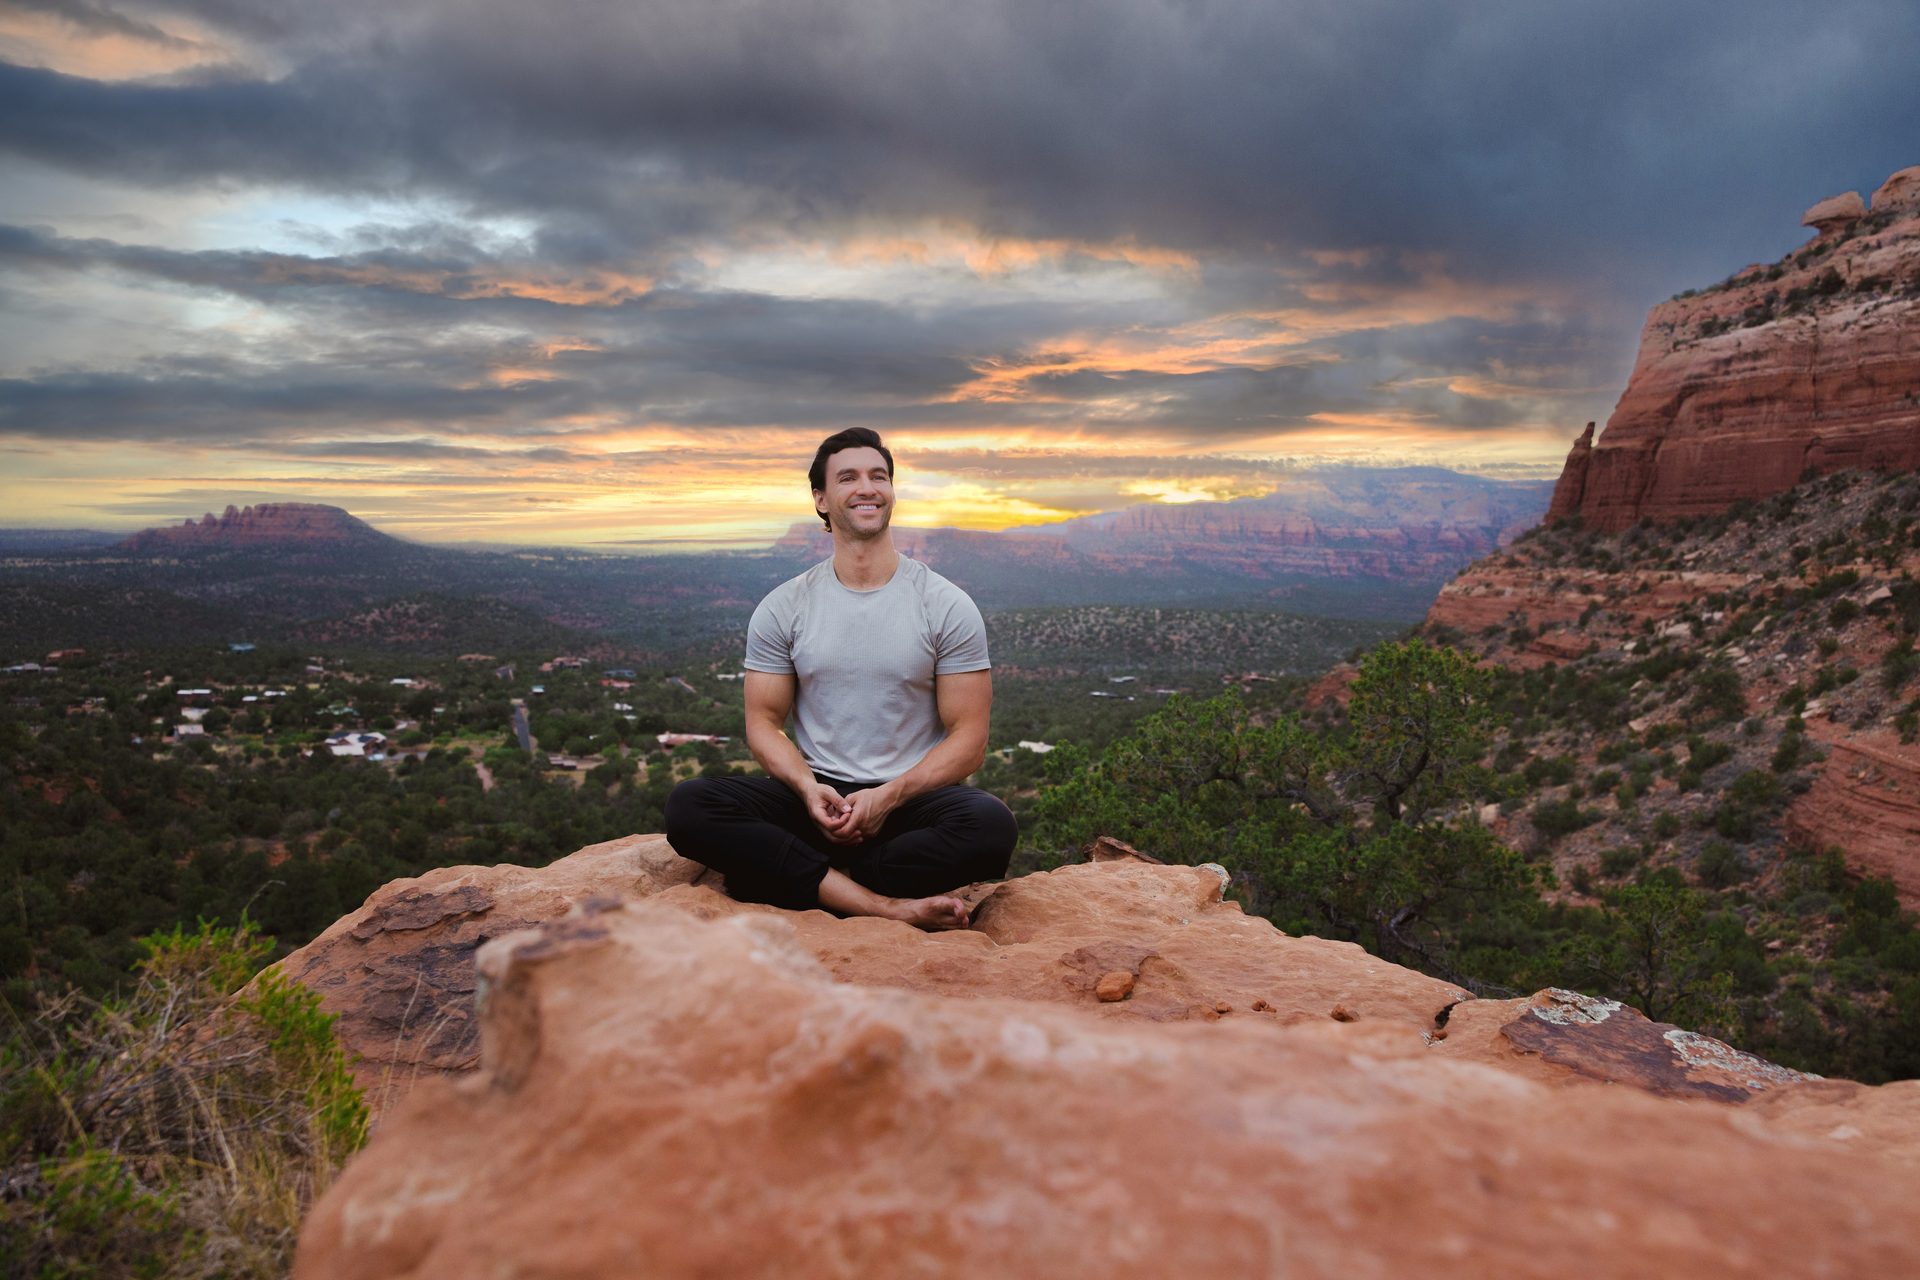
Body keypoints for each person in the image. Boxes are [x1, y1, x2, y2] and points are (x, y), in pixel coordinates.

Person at [664, 427, 1017, 929]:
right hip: (815, 799)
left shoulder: (945, 604)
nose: (867, 487)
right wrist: (808, 790)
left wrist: (888, 796)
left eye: (879, 476)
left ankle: (800, 878)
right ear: (821, 499)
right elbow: (763, 723)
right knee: (690, 806)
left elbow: (970, 741)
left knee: (990, 826)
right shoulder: (785, 605)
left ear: (892, 492)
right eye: (848, 477)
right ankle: (879, 902)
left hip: (908, 802)